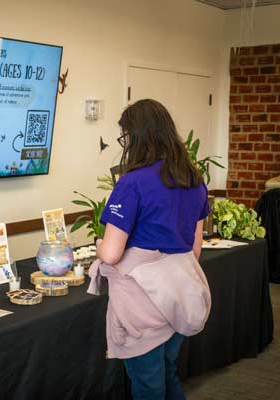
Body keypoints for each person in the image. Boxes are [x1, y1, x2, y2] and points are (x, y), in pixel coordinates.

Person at [90, 99, 211, 400]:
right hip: (179, 296)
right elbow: (194, 250)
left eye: (125, 136)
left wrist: (99, 246)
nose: (125, 143)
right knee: (167, 374)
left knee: (147, 386)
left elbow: (111, 254)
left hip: (141, 302)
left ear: (138, 135)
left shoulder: (132, 183)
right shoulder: (194, 180)